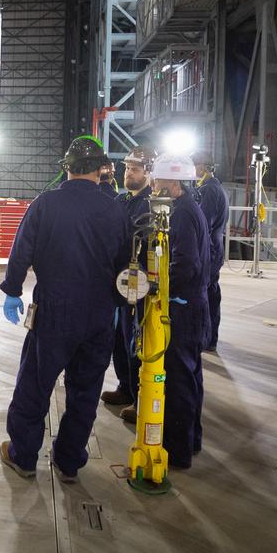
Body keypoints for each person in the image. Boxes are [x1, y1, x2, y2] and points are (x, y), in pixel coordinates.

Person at [0, 135, 127, 483]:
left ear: (67, 168)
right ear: (101, 170)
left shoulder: (46, 204)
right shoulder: (115, 208)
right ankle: (69, 462)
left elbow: (21, 251)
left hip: (54, 310)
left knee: (35, 385)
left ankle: (24, 457)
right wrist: (116, 304)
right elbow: (125, 264)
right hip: (100, 313)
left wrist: (12, 290)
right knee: (85, 391)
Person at [147, 153, 210, 470]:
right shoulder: (187, 207)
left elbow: (187, 263)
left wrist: (160, 287)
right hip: (192, 304)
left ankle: (178, 450)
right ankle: (191, 439)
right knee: (191, 375)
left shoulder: (183, 214)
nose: (153, 186)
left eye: (157, 181)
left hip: (183, 308)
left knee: (179, 379)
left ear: (172, 184)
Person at [101, 148, 153, 412]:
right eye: (127, 168)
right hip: (122, 281)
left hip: (138, 281)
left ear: (148, 173)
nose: (128, 173)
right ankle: (125, 386)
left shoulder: (150, 203)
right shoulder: (125, 201)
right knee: (120, 339)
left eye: (135, 169)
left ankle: (139, 396)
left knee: (135, 340)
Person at [193, 151, 229, 352]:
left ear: (203, 167)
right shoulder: (215, 187)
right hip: (214, 247)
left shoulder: (208, 190)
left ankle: (208, 338)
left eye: (194, 165)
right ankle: (210, 335)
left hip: (210, 250)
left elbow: (203, 223)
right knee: (211, 291)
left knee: (207, 294)